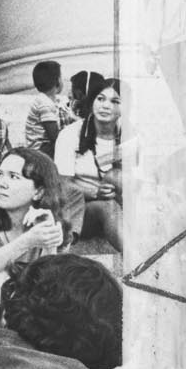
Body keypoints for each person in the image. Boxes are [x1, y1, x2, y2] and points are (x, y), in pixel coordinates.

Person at [0, 148, 69, 311]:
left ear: (38, 192)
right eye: (0, 174)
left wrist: (49, 245)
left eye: (14, 177)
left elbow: (50, 291)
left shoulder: (52, 225)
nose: (1, 183)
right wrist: (26, 242)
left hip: (29, 315)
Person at [54, 77, 124, 253]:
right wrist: (95, 192)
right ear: (92, 101)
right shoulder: (70, 134)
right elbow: (62, 185)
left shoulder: (130, 135)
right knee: (108, 207)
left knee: (116, 177)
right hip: (80, 211)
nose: (106, 106)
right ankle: (141, 263)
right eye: (100, 99)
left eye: (115, 101)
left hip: (124, 206)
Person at [24, 59, 66, 156]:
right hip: (39, 149)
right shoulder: (45, 104)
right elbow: (54, 136)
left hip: (42, 146)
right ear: (58, 81)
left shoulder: (48, 100)